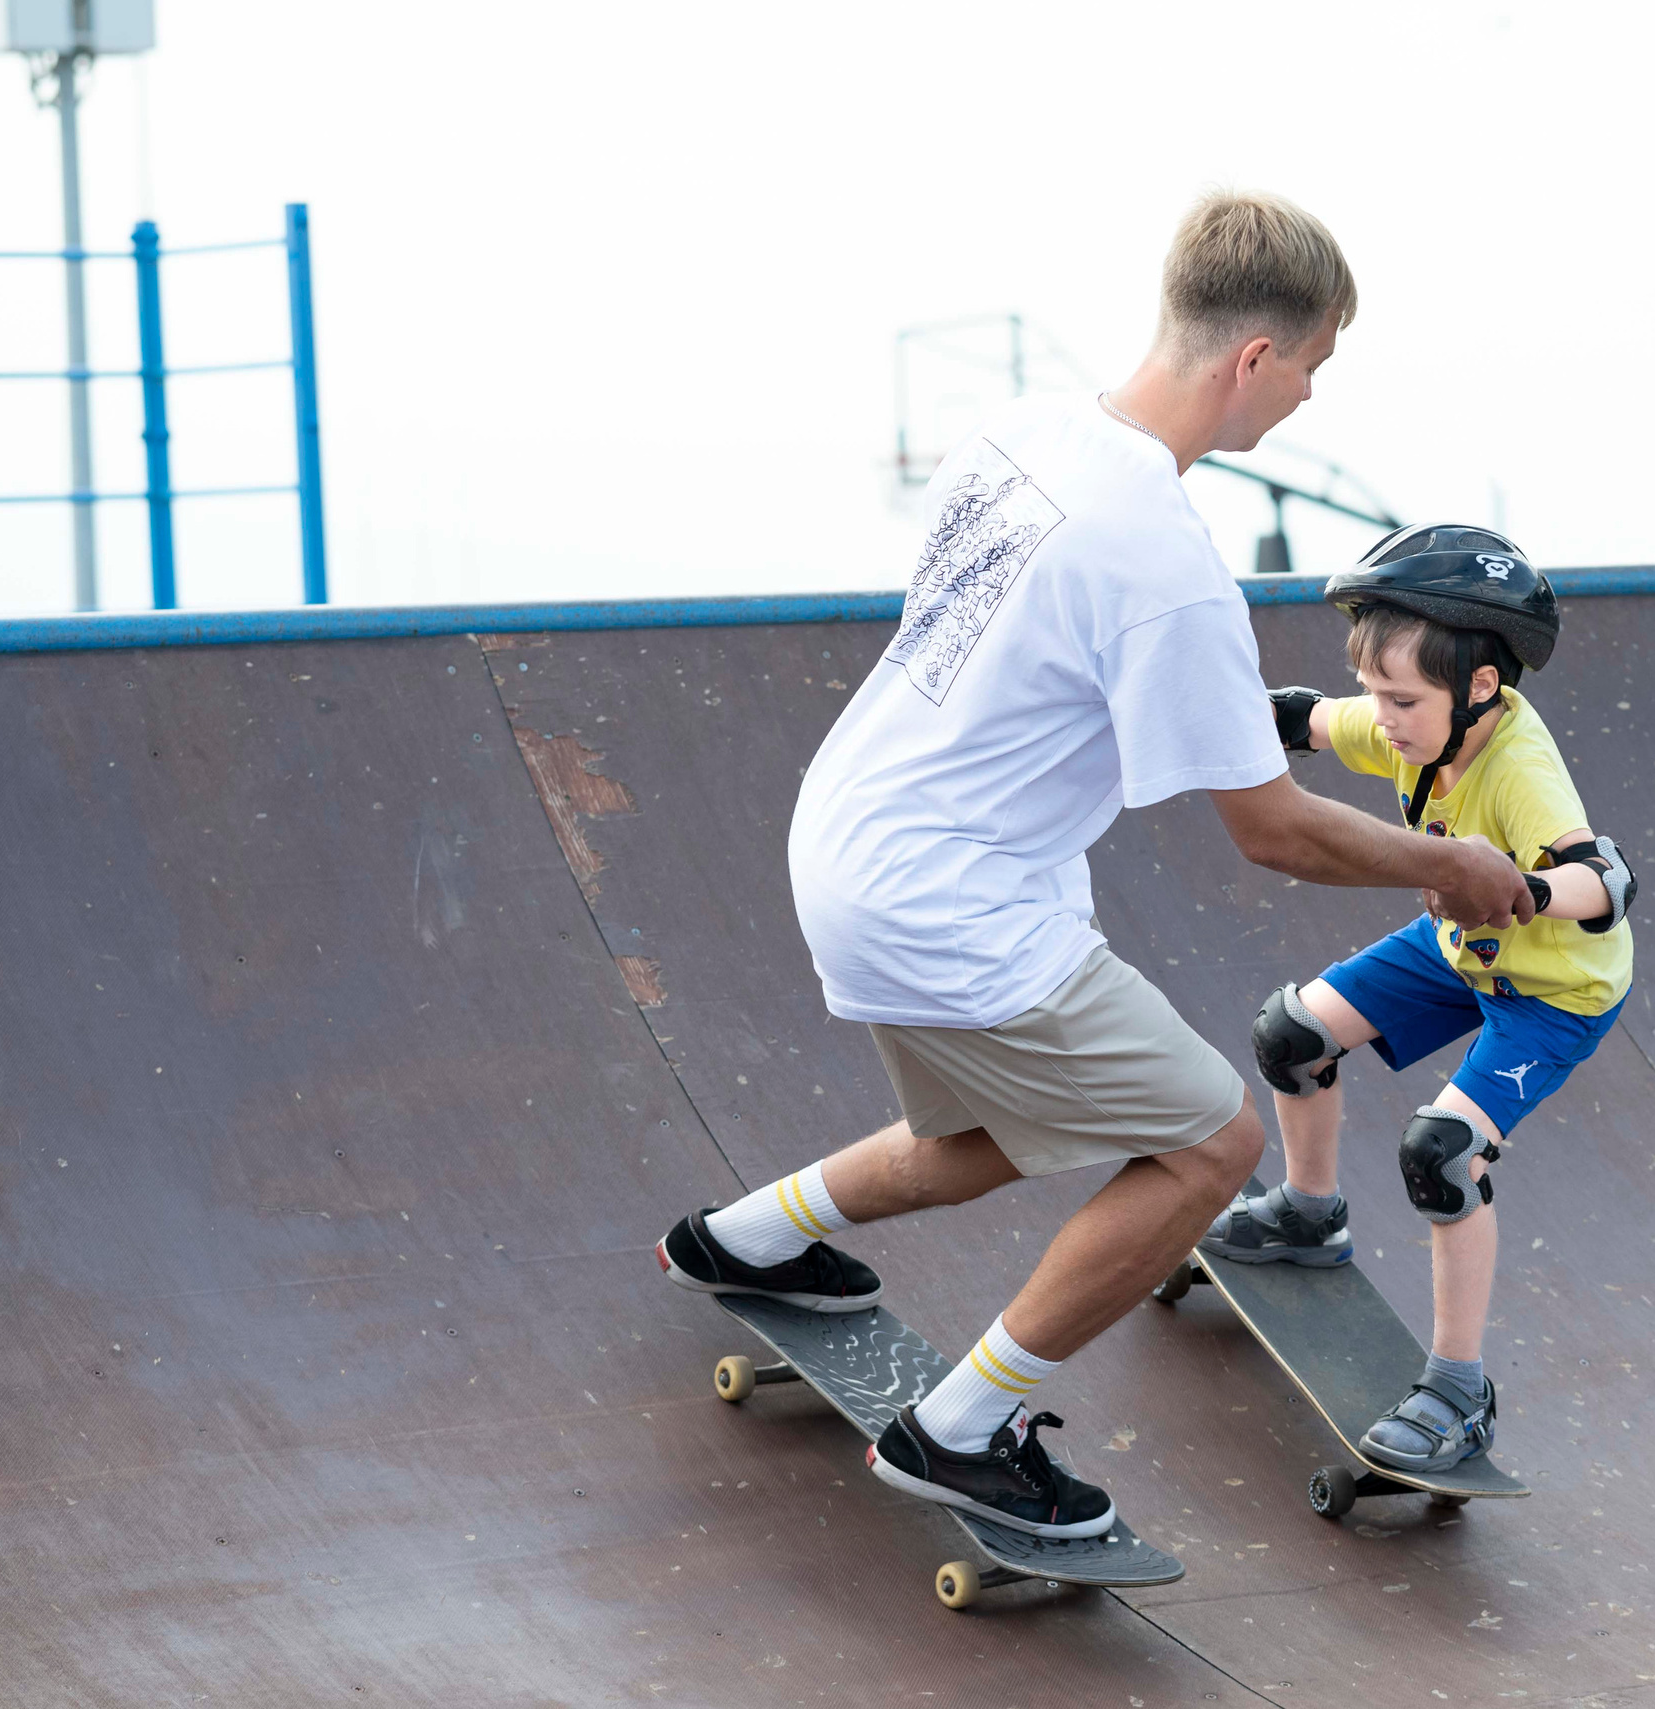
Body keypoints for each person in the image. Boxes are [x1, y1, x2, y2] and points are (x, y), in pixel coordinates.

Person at [653, 193, 1530, 1541]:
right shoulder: (1167, 564)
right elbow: (1273, 829)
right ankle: (963, 1431)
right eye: (1311, 369)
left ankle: (748, 1237)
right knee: (1207, 1144)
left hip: (850, 833)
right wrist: (1450, 865)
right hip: (956, 901)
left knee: (992, 1135)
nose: (1303, 400)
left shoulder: (1020, 432)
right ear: (1258, 359)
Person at [1200, 525, 1637, 1475]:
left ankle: (1458, 1387)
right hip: (1459, 948)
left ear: (1482, 687)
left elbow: (1603, 878)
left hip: (1553, 988)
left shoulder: (1518, 766)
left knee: (1443, 1154)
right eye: (1376, 692)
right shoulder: (1406, 719)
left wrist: (1527, 893)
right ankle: (1310, 1216)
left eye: (1401, 699)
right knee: (1293, 1034)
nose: (1382, 718)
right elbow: (1302, 717)